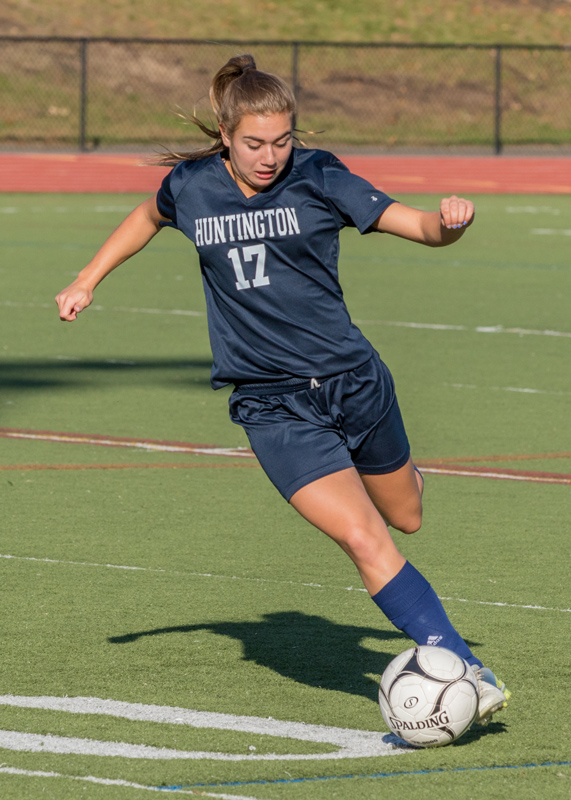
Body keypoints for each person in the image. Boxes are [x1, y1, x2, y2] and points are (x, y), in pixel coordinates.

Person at [56, 54, 509, 726]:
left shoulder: (319, 175)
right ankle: (463, 666)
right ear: (225, 130)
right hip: (271, 404)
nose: (270, 156)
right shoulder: (191, 185)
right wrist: (88, 277)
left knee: (405, 514)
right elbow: (147, 217)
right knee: (362, 538)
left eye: (281, 140)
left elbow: (416, 227)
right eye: (253, 143)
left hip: (353, 382)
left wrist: (449, 223)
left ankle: (402, 476)